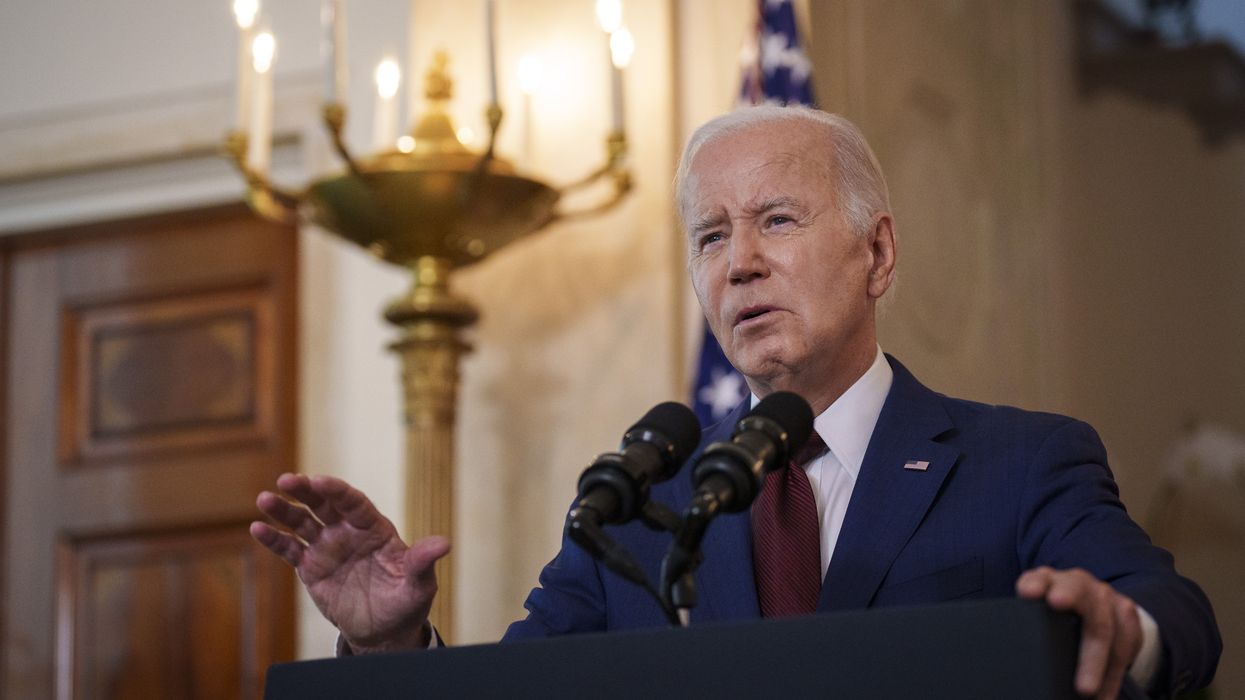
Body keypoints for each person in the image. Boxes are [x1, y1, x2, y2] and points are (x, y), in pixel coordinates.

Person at [251, 105, 1220, 699]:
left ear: (876, 253)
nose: (741, 260)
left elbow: (1175, 616)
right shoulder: (632, 508)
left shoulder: (1019, 462)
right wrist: (387, 645)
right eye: (711, 236)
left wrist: (1117, 631)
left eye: (778, 220)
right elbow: (515, 690)